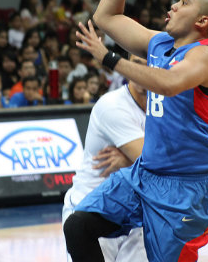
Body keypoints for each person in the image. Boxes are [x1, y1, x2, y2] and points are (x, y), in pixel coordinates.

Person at [64, 0, 208, 262]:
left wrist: (110, 58)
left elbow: (168, 83)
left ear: (202, 21)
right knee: (78, 227)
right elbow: (105, 18)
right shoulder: (159, 44)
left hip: (185, 187)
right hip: (144, 174)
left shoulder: (206, 55)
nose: (172, 6)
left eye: (183, 2)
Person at [62, 55, 148, 262]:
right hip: (93, 210)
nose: (142, 71)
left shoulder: (167, 106)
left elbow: (164, 158)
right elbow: (156, 161)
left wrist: (129, 160)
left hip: (135, 212)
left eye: (149, 64)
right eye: (136, 64)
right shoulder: (113, 106)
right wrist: (134, 159)